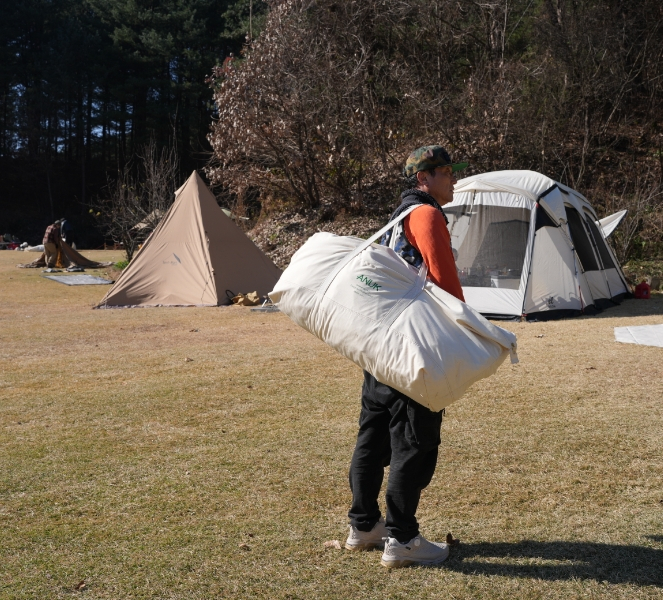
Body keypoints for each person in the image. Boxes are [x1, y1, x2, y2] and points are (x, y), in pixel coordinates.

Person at [345, 145, 467, 568]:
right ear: (424, 179)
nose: (453, 179)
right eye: (446, 172)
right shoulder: (428, 215)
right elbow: (445, 282)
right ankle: (402, 539)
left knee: (373, 435)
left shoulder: (395, 219)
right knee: (414, 440)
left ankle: (363, 527)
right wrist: (467, 332)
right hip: (412, 344)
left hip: (379, 344)